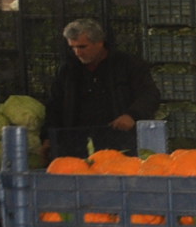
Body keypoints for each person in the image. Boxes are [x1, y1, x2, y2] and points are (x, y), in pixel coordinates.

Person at [45, 18, 161, 157]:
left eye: (82, 47)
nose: (77, 53)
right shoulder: (68, 70)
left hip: (121, 141)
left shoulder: (128, 65)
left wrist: (132, 115)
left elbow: (149, 94)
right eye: (73, 47)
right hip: (77, 143)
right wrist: (47, 137)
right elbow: (54, 105)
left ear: (99, 43)